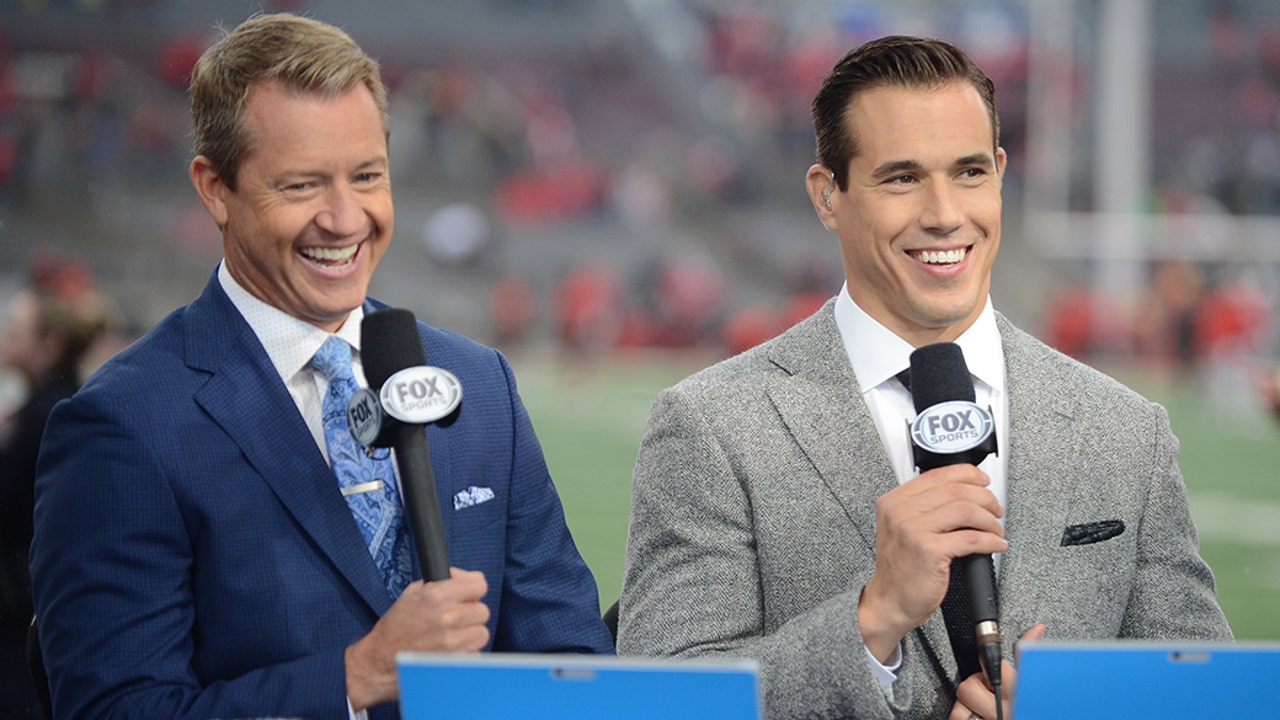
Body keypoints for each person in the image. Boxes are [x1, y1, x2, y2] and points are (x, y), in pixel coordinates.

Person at [617, 35, 1231, 720]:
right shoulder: (712, 426)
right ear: (828, 196)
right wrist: (871, 619)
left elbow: (1203, 696)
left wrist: (1080, 706)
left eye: (969, 172)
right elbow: (659, 698)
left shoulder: (1125, 432)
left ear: (1000, 174)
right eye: (902, 178)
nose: (943, 213)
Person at [29, 13, 612, 720]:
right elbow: (115, 710)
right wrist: (356, 675)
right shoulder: (125, 425)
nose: (345, 219)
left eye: (366, 175)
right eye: (302, 186)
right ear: (215, 188)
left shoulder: (480, 384)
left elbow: (573, 662)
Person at [0, 250, 112, 717]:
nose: (4, 336)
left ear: (48, 343)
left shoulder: (54, 413)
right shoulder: (44, 405)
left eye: (13, 328)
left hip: (21, 600)